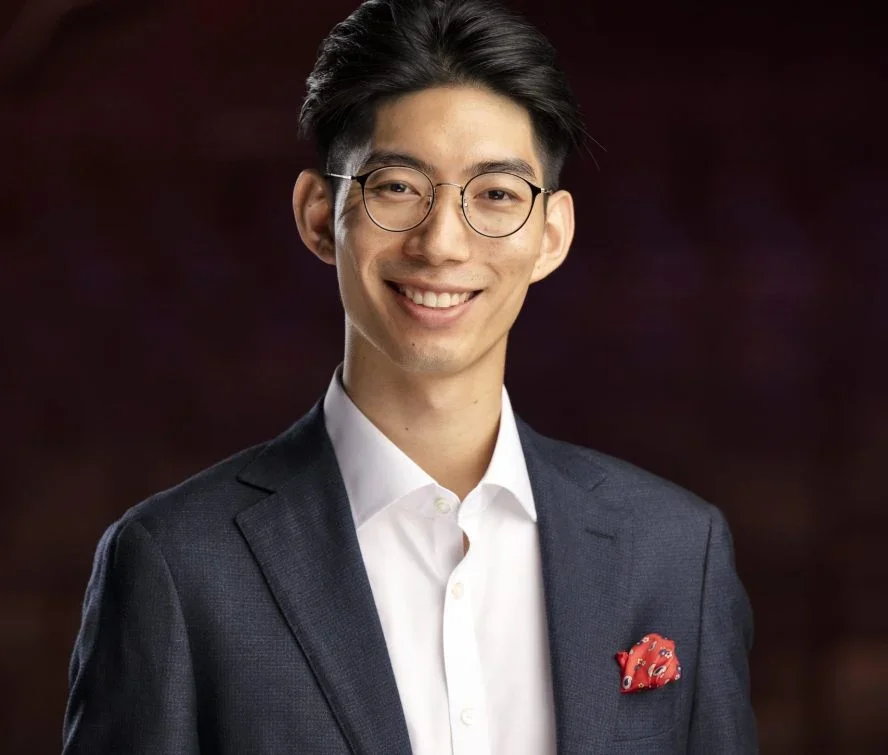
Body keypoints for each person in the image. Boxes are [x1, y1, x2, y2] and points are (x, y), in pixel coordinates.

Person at [62, 0, 757, 752]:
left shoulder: (676, 552)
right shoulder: (177, 564)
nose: (442, 242)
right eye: (397, 186)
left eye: (495, 193)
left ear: (551, 235)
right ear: (320, 215)